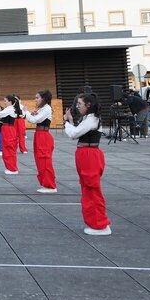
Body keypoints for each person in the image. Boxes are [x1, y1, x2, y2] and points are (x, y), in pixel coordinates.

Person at [64, 93, 111, 236]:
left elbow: (74, 134)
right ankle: (96, 223)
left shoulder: (91, 120)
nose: (77, 107)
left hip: (89, 154)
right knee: (88, 188)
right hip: (86, 154)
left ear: (88, 105)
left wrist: (68, 122)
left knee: (91, 189)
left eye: (80, 104)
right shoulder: (89, 119)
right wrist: (70, 122)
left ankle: (100, 224)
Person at [27, 90, 57, 194]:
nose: (35, 100)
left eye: (37, 98)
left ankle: (50, 185)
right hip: (39, 134)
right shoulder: (42, 108)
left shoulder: (47, 109)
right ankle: (45, 183)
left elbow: (34, 120)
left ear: (43, 99)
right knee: (39, 160)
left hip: (43, 135)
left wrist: (26, 112)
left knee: (44, 160)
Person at [0, 96, 21, 175]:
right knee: (8, 148)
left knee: (8, 148)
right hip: (8, 128)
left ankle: (12, 168)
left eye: (5, 101)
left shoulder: (9, 109)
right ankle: (11, 167)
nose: (4, 102)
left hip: (8, 129)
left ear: (10, 102)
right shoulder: (10, 109)